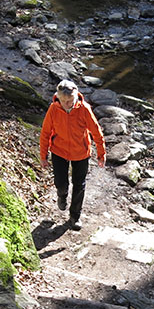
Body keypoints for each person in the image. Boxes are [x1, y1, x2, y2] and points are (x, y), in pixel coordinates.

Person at [39, 80, 106, 231]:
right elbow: (45, 133)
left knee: (79, 185)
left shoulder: (84, 109)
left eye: (70, 101)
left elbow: (96, 132)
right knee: (61, 183)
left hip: (81, 152)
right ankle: (62, 195)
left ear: (76, 96)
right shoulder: (54, 109)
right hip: (59, 151)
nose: (67, 104)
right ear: (58, 98)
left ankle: (75, 217)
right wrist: (43, 156)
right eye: (64, 101)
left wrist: (101, 154)